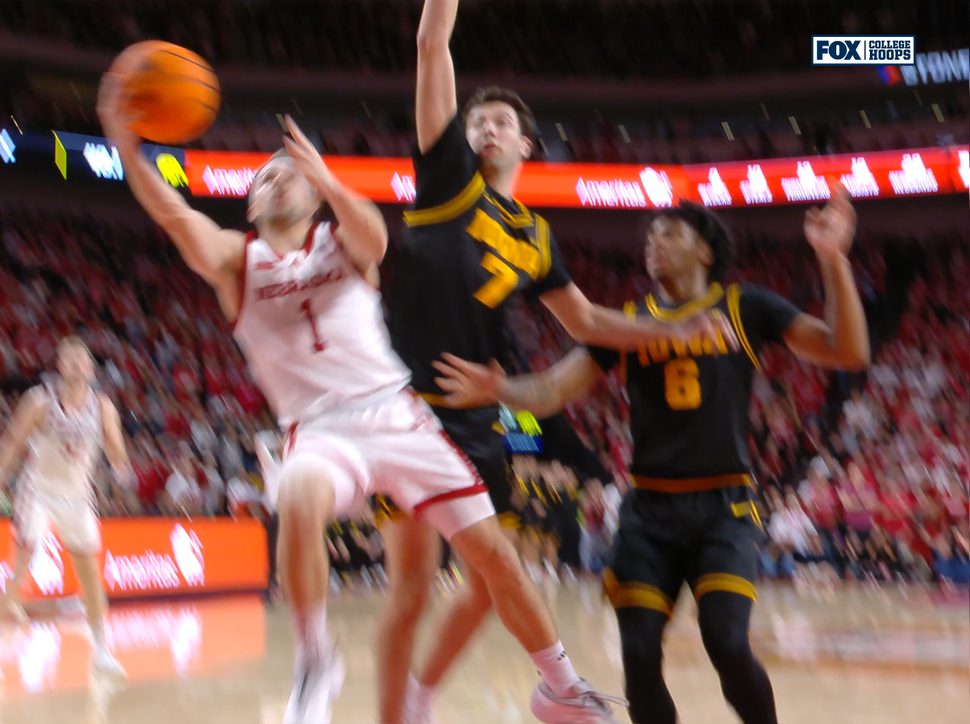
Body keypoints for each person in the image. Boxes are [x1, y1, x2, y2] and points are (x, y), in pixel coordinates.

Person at [100, 50, 658, 724]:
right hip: (320, 431)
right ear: (249, 204)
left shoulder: (342, 243)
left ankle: (561, 685)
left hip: (397, 415)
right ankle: (316, 661)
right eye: (266, 177)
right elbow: (173, 215)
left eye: (290, 174)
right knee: (299, 497)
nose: (279, 181)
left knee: (495, 557)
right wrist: (125, 144)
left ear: (314, 194)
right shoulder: (234, 261)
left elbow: (372, 232)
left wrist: (326, 178)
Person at [374, 1, 729, 722]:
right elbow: (432, 42)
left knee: (488, 585)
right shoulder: (446, 177)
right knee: (412, 588)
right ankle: (424, 708)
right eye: (477, 121)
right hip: (405, 408)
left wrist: (674, 326)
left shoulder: (536, 237)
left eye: (501, 122)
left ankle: (421, 696)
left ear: (526, 145)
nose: (486, 128)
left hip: (474, 418)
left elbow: (589, 322)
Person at [430, 187, 869, 724]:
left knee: (727, 643)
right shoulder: (629, 322)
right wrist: (498, 388)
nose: (654, 242)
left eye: (670, 233)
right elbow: (552, 389)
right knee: (638, 656)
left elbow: (847, 351)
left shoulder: (745, 306)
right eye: (651, 235)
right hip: (648, 514)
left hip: (723, 511)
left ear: (704, 250)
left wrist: (833, 259)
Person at [0, 336, 131, 677]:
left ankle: (102, 651)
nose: (78, 366)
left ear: (91, 370)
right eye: (71, 360)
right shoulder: (39, 401)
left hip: (77, 497)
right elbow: (12, 442)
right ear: (60, 366)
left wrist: (121, 467)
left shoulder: (103, 407)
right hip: (38, 492)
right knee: (20, 570)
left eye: (84, 360)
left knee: (91, 578)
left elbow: (116, 449)